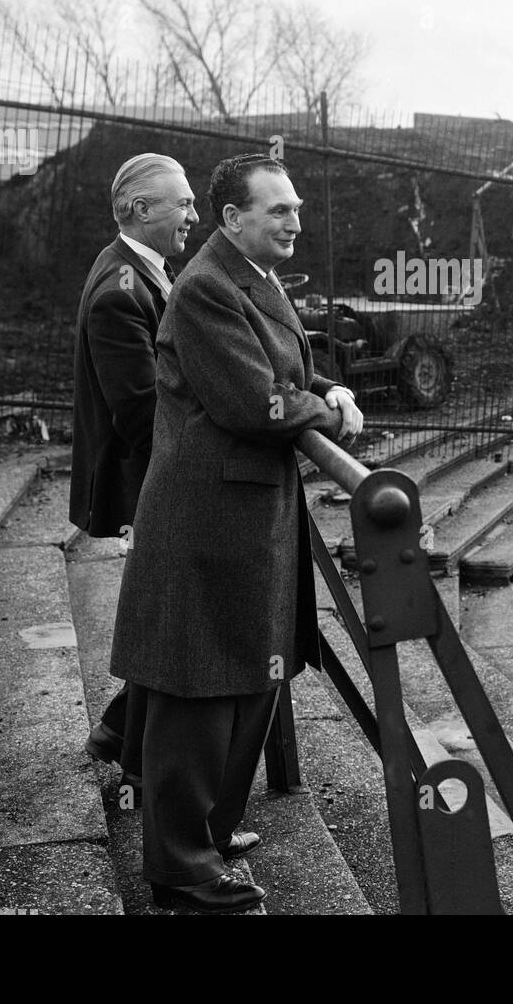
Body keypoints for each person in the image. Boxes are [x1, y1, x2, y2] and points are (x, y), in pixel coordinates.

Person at [109, 152, 362, 914]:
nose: (294, 222)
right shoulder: (208, 290)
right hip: (207, 521)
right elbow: (257, 404)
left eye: (295, 209)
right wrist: (328, 413)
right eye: (278, 210)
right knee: (199, 690)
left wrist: (328, 388)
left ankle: (210, 833)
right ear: (233, 218)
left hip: (244, 513)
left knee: (247, 677)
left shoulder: (250, 276)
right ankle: (181, 873)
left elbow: (281, 370)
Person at [69, 153, 200, 786]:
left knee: (167, 621)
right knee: (172, 623)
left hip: (158, 479)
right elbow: (144, 414)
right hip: (149, 482)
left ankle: (122, 734)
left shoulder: (143, 272)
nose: (194, 216)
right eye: (182, 204)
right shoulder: (120, 292)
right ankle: (144, 762)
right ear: (138, 211)